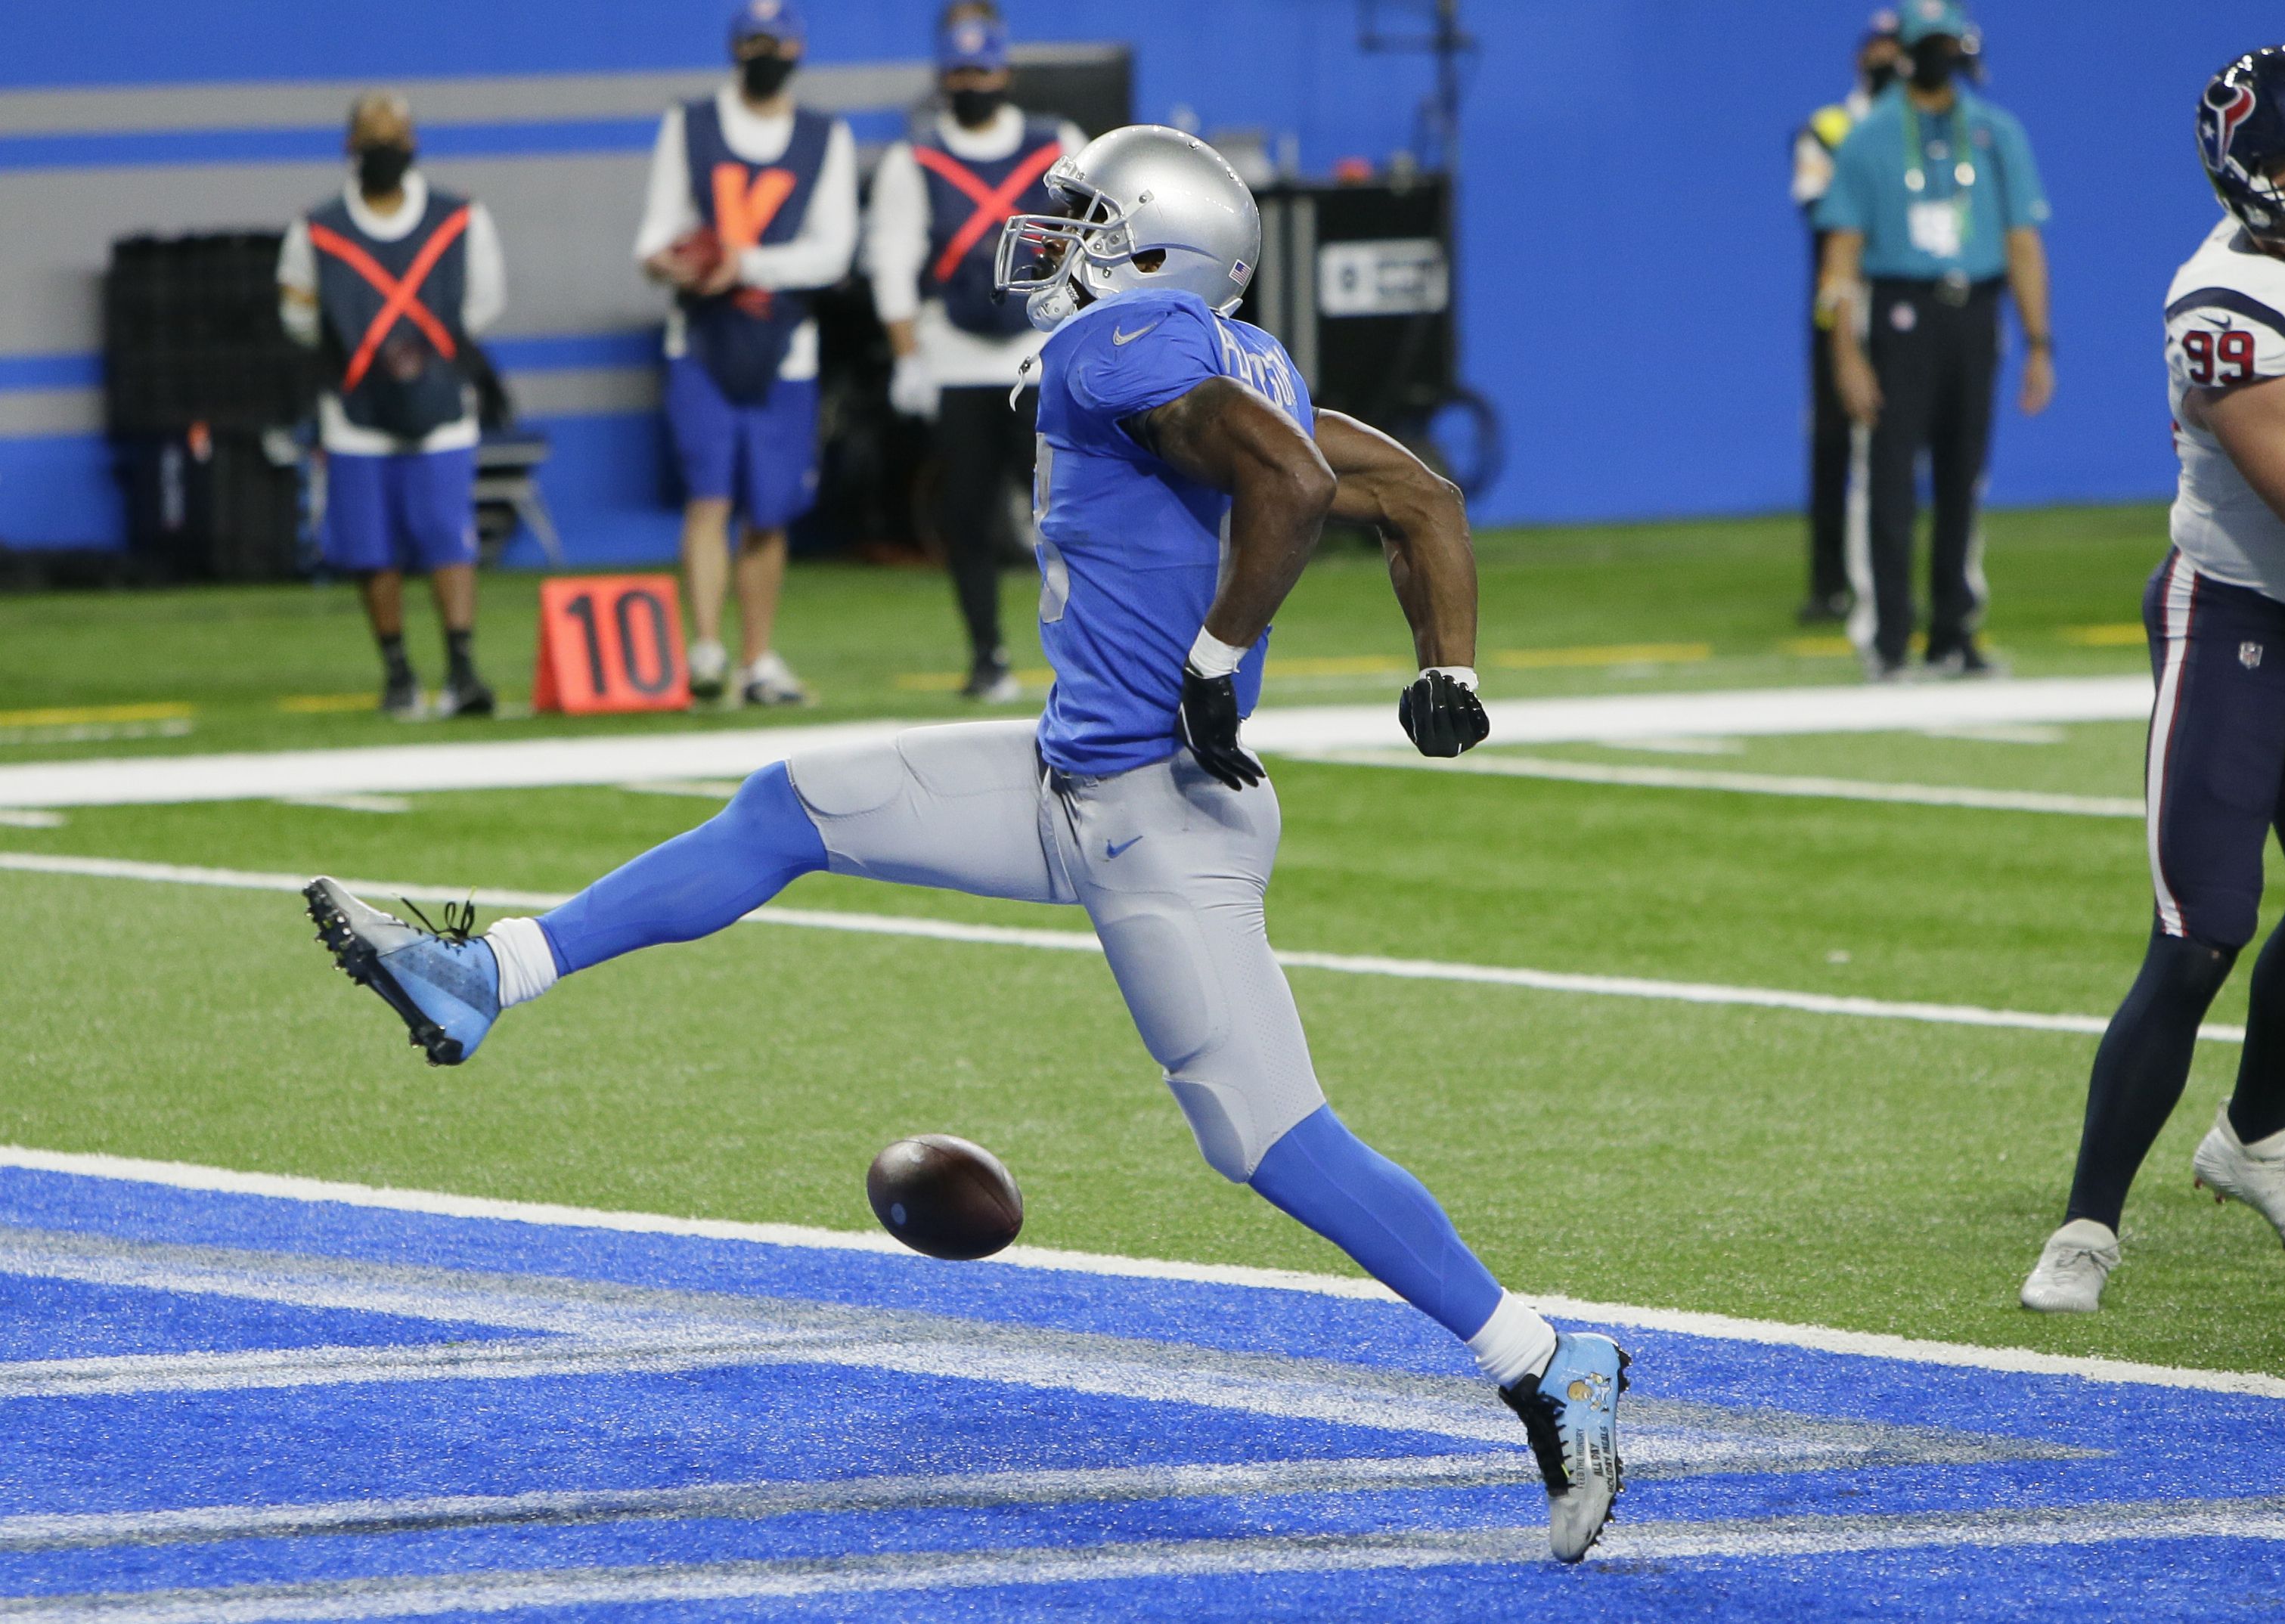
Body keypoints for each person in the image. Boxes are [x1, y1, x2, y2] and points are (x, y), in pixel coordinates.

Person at [301, 125, 1630, 1564]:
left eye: (1084, 218)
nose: (1052, 240)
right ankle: (489, 973)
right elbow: (1421, 497)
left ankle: (1542, 1353)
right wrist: (1452, 673)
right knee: (789, 803)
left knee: (1264, 1134)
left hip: (1156, 819)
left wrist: (1212, 652)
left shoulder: (1112, 348)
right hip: (1075, 776)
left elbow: (1296, 495)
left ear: (1154, 246)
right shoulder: (1239, 357)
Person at [2020, 47, 2285, 1314]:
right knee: (2200, 929)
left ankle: (2250, 1142)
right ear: (2246, 184)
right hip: (2239, 625)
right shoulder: (2225, 304)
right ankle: (2087, 1222)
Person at [1813, 0, 2054, 681]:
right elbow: (1840, 258)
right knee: (1888, 481)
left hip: (1973, 311)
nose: (1940, 58)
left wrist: (2038, 341)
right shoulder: (1869, 137)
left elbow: (2022, 242)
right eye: (1929, 46)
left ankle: (1953, 632)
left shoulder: (1994, 132)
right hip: (1897, 312)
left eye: (1949, 44)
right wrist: (1845, 352)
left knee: (1962, 479)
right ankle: (1887, 639)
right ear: (1906, 52)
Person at [634, 0, 857, 706]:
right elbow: (653, 236)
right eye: (753, 39)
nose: (764, 51)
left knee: (768, 507)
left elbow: (833, 252)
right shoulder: (690, 123)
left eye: (775, 39)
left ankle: (756, 659)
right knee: (709, 495)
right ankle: (705, 649)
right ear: (735, 48)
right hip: (701, 336)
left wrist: (745, 264)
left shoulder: (825, 135)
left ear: (795, 49)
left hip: (782, 343)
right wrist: (673, 262)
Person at [863, 2, 1084, 700]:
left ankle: (1091, 653)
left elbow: (1094, 248)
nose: (972, 81)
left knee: (1071, 515)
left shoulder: (1056, 147)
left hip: (1041, 356)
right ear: (941, 76)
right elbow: (891, 260)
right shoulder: (914, 158)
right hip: (955, 357)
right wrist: (907, 358)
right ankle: (987, 655)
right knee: (965, 518)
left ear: (1005, 71)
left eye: (982, 68)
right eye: (959, 70)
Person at [278, 94, 505, 720]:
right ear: (349, 146)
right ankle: (398, 672)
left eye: (395, 136)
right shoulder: (317, 228)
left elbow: (484, 303)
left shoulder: (460, 218)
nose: (385, 148)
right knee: (370, 547)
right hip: (357, 416)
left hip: (440, 410)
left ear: (414, 143)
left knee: (447, 538)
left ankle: (461, 669)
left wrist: (430, 356)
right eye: (372, 137)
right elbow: (298, 315)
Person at [1790, 11, 1902, 626]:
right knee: (1832, 442)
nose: (1885, 58)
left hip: (1903, 301)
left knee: (1900, 442)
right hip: (1841, 301)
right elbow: (1821, 208)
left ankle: (1892, 579)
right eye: (1877, 48)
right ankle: (1829, 582)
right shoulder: (1827, 127)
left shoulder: (1919, 130)